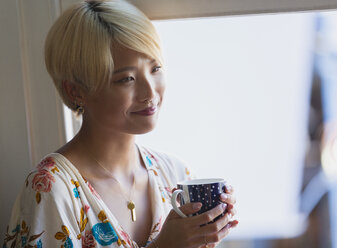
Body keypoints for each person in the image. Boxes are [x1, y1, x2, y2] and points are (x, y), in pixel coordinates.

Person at [3, 0, 238, 247]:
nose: (150, 92)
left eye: (155, 68)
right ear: (75, 91)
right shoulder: (51, 189)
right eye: (126, 78)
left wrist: (211, 230)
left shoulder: (175, 175)